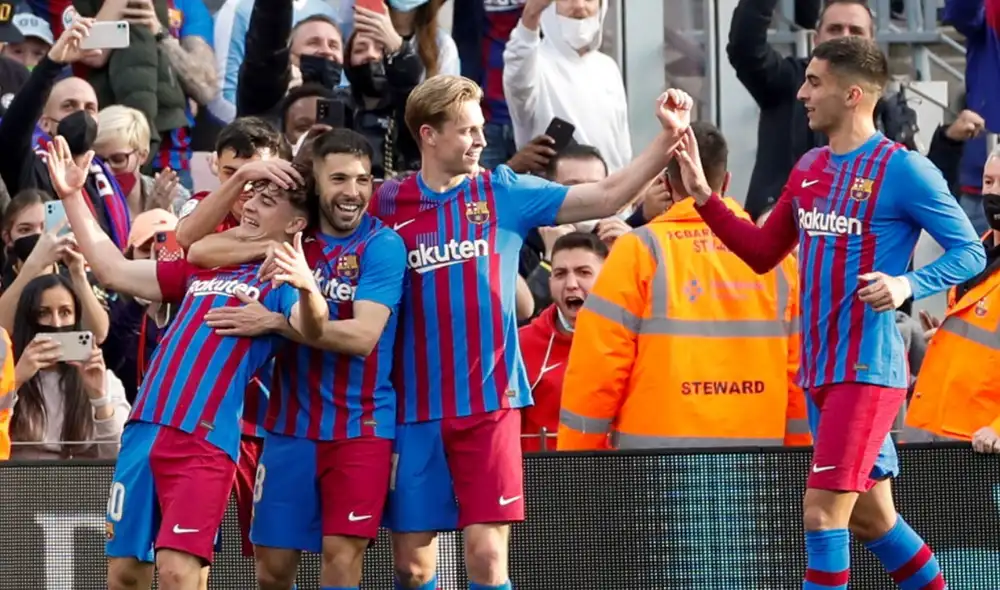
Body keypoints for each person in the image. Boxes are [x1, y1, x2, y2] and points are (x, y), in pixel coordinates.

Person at [678, 37, 984, 589]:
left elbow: (970, 252)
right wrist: (705, 196)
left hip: (865, 372)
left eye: (814, 82)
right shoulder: (810, 168)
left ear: (853, 94)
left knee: (822, 514)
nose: (801, 93)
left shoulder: (905, 171)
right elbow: (760, 252)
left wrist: (906, 283)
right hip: (820, 371)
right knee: (871, 518)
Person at [368, 74, 693, 590]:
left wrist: (668, 137)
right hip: (414, 409)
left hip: (490, 403)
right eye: (467, 131)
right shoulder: (385, 202)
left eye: (480, 129)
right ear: (428, 135)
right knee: (411, 568)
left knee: (487, 559)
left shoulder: (503, 191)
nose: (481, 141)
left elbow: (607, 194)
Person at [41, 134, 318, 589]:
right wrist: (71, 196)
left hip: (206, 439)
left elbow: (314, 327)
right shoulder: (204, 267)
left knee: (177, 573)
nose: (250, 206)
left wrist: (292, 302)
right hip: (145, 425)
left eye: (267, 202)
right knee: (125, 575)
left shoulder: (286, 280)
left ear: (296, 224)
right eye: (251, 196)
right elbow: (111, 269)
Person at [187, 128, 406, 590]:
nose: (353, 192)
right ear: (316, 185)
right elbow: (199, 250)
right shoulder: (293, 237)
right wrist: (268, 246)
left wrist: (273, 322)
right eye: (340, 179)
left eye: (364, 180)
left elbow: (363, 337)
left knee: (340, 557)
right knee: (271, 567)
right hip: (288, 426)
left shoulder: (381, 245)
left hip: (359, 427)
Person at [559, 121, 809, 452]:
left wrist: (575, 466)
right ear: (727, 182)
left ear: (665, 183)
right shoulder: (778, 263)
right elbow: (799, 375)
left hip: (655, 465)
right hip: (757, 463)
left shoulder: (638, 251)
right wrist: (796, 460)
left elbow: (598, 369)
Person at [727, 0, 916, 221]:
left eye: (855, 31)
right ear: (816, 40)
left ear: (871, 44)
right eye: (835, 29)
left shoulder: (889, 109)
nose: (845, 37)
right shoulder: (788, 82)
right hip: (787, 241)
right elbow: (745, 48)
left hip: (858, 243)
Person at [0, 18, 132, 250]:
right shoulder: (29, 168)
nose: (81, 115)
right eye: (69, 106)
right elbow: (15, 126)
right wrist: (52, 63)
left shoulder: (102, 178)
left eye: (89, 108)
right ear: (45, 122)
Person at [905, 142, 1000, 450]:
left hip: (982, 443)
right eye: (988, 182)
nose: (993, 192)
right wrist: (949, 337)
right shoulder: (973, 257)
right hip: (932, 431)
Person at [8, 273, 128, 460]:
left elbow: (121, 457)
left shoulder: (106, 380)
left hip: (82, 485)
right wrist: (15, 381)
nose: (56, 323)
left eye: (65, 312)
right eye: (43, 313)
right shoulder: (7, 376)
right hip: (18, 483)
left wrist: (99, 398)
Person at [503, 0, 632, 172]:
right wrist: (530, 17)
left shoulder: (607, 67)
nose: (579, 6)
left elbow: (622, 148)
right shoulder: (535, 63)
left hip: (611, 191)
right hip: (556, 194)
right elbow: (518, 71)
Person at [518, 231, 607, 452]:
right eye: (560, 274)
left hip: (618, 476)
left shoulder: (635, 339)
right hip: (545, 478)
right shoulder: (521, 344)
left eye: (583, 272)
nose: (571, 284)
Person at [94, 105, 191, 217]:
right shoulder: (84, 203)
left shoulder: (176, 198)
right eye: (97, 160)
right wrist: (150, 217)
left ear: (142, 155)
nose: (106, 169)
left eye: (118, 159)